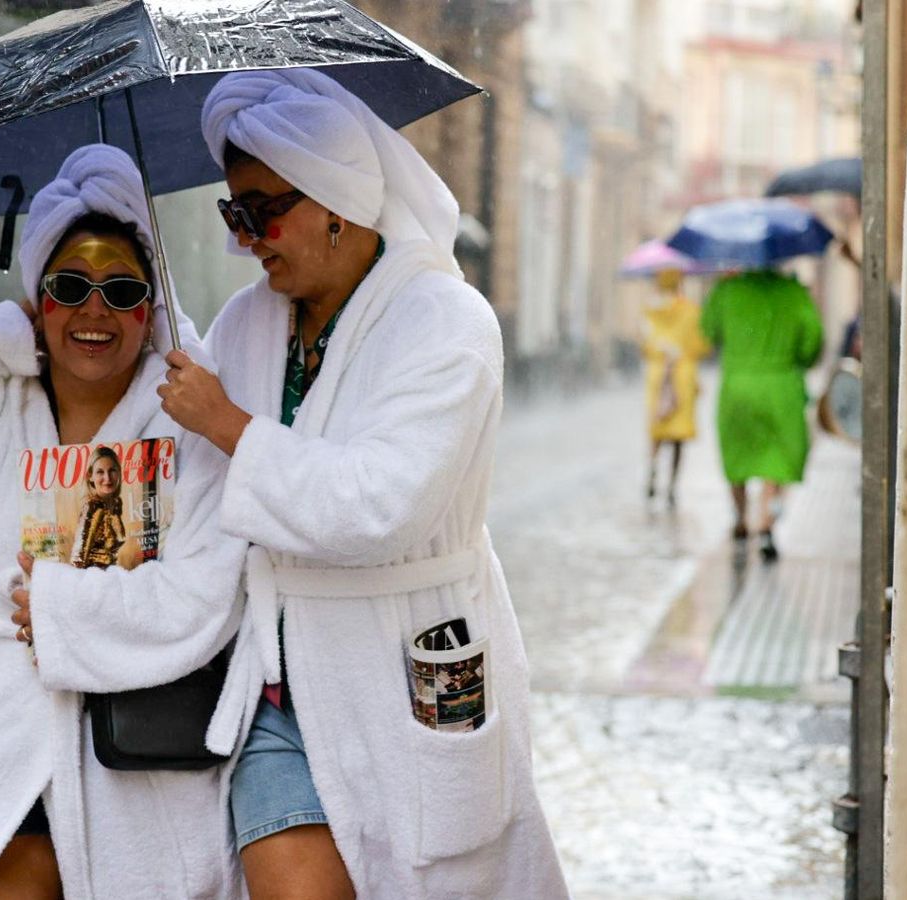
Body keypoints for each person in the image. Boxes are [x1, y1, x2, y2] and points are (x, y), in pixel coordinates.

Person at [156, 68, 568, 899]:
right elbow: (192, 497)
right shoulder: (244, 325)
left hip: (410, 668)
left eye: (264, 212)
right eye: (234, 214)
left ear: (335, 199)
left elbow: (384, 505)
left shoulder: (448, 326)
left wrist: (232, 426)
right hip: (279, 690)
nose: (247, 239)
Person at [0, 143, 249, 900]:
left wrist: (63, 611)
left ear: (154, 306)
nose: (95, 312)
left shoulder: (184, 428)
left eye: (123, 290)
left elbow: (205, 600)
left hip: (133, 768)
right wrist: (20, 328)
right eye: (69, 286)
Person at [699, 267, 824, 561]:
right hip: (781, 387)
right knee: (776, 458)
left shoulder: (727, 290)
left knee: (738, 454)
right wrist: (794, 358)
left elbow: (706, 331)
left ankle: (741, 518)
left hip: (738, 386)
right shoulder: (794, 294)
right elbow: (813, 343)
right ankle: (767, 523)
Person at [640, 267, 710, 505]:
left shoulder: (651, 311)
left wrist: (661, 350)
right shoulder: (691, 311)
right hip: (683, 374)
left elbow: (645, 344)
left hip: (659, 375)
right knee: (679, 435)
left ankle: (652, 470)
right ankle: (672, 483)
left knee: (658, 428)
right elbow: (702, 345)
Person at [70, 445, 127, 569]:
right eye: (100, 472)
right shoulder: (92, 507)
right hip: (94, 579)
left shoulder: (116, 503)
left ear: (119, 472)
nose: (107, 478)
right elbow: (78, 558)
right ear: (90, 476)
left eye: (112, 470)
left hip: (112, 575)